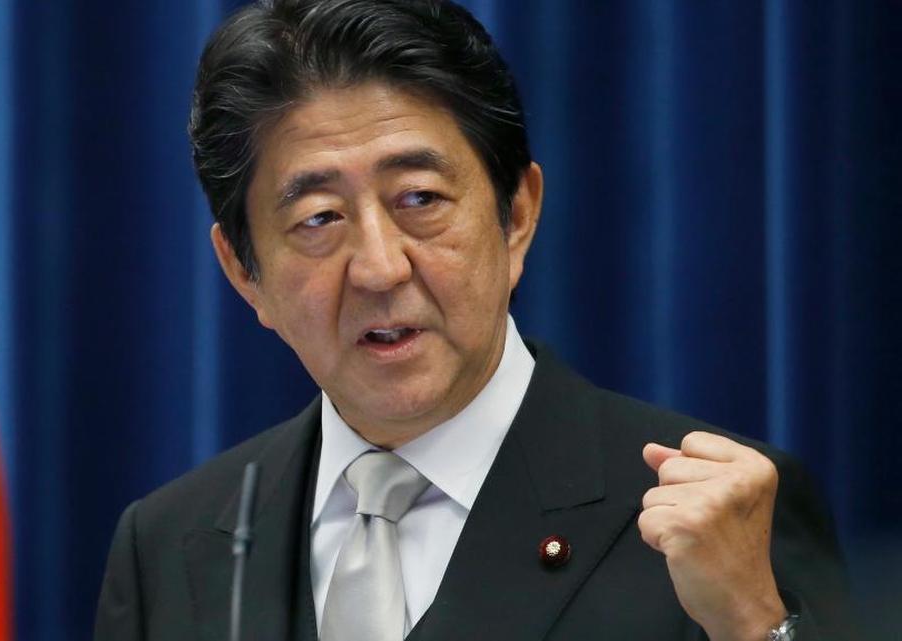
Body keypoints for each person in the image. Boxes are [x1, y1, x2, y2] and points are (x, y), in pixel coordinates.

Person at [94, 1, 851, 639]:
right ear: (242, 270)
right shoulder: (170, 551)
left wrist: (757, 623)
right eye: (320, 218)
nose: (380, 266)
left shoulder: (719, 520)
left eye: (419, 198)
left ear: (516, 214)